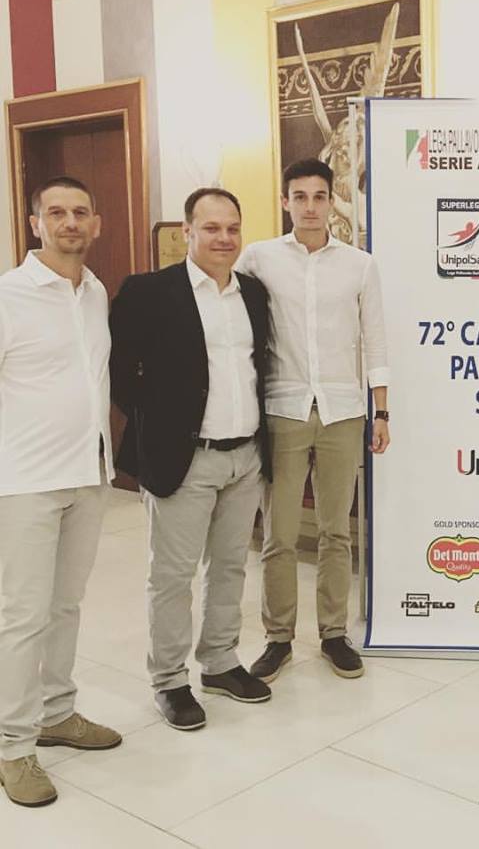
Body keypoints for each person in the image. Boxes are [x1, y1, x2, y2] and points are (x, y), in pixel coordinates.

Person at [110, 188, 273, 730]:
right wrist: (161, 422)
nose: (224, 238)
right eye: (212, 228)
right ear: (187, 232)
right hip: (185, 458)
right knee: (173, 576)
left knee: (230, 566)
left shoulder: (252, 293)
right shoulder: (148, 292)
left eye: (233, 228)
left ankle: (221, 662)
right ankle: (169, 679)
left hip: (245, 455)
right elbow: (119, 374)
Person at [237, 158, 389, 682]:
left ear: (331, 202)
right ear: (285, 202)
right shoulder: (258, 259)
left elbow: (376, 340)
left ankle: (334, 633)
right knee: (279, 534)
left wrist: (381, 410)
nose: (309, 207)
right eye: (299, 197)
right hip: (284, 409)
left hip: (344, 411)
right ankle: (278, 637)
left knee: (335, 532)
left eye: (318, 196)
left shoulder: (359, 265)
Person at [0, 177, 121, 807]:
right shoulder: (9, 296)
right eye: (56, 213)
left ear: (95, 222)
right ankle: (12, 747)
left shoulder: (95, 292)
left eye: (80, 212)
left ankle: (56, 713)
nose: (69, 222)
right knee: (22, 616)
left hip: (89, 473)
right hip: (24, 481)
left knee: (65, 605)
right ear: (35, 223)